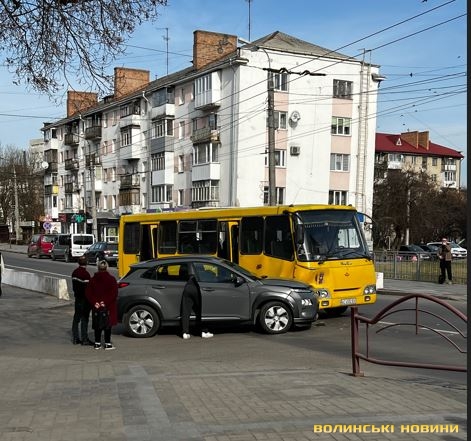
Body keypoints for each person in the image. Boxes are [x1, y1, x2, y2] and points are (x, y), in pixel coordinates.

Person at [86, 260, 118, 350]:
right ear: (107, 268)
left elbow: (88, 293)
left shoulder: (93, 279)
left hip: (96, 306)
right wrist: (104, 302)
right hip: (108, 306)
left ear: (98, 268)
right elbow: (114, 293)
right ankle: (107, 343)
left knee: (97, 324)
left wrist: (95, 302)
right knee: (107, 324)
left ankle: (97, 343)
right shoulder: (111, 279)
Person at [180, 270, 213, 340]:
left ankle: (185, 333)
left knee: (186, 311)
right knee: (202, 310)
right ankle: (204, 331)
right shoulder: (207, 274)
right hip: (197, 289)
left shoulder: (194, 274)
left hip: (187, 287)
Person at [71, 256, 92, 345]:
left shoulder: (74, 272)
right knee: (84, 319)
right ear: (86, 263)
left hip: (77, 299)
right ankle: (84, 339)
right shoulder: (86, 274)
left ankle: (75, 338)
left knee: (76, 319)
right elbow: (88, 289)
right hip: (85, 300)